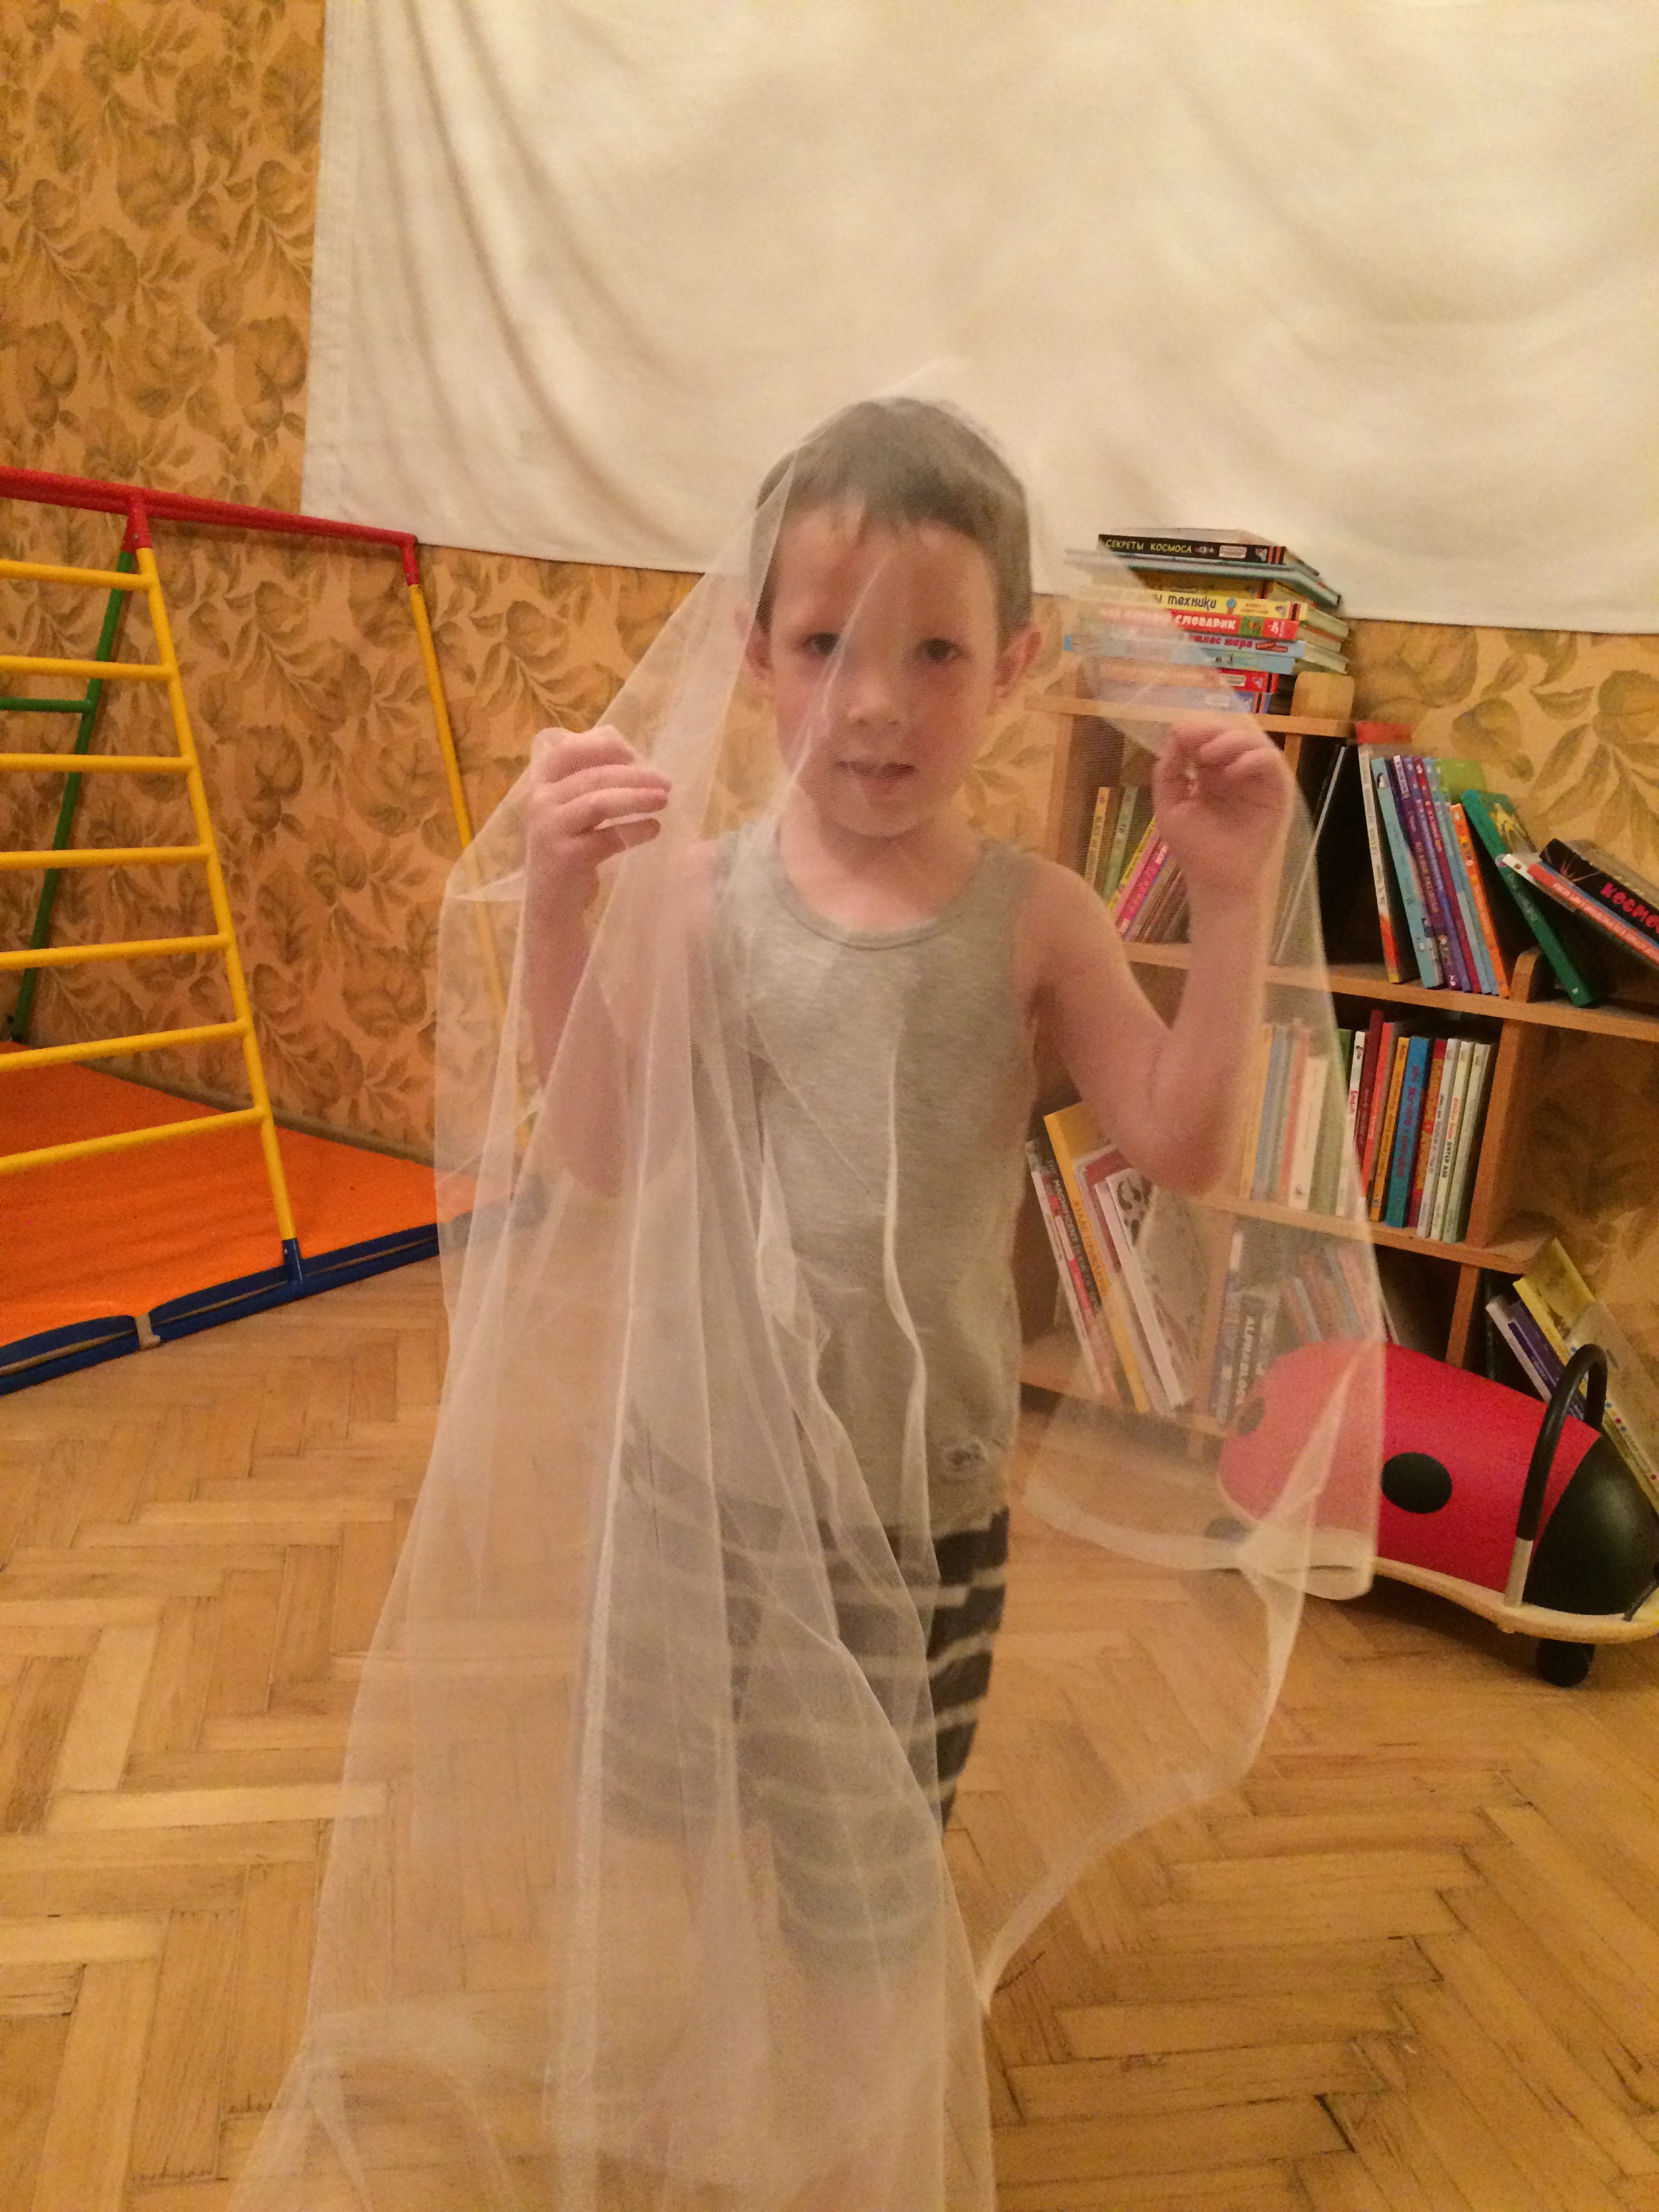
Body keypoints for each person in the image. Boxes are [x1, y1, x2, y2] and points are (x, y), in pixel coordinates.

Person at [518, 396, 1295, 1847]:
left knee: (863, 1851)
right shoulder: (698, 898)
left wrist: (1234, 898)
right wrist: (556, 913)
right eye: (827, 643)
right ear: (758, 653)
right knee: (666, 1811)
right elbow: (607, 1150)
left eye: (934, 651)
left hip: (917, 1497)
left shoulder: (1041, 919)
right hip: (698, 1466)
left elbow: (1185, 1147)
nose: (876, 702)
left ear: (1011, 666)